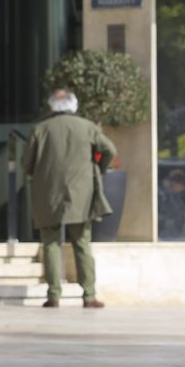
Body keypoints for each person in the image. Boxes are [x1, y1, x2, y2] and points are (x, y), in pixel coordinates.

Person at [22, 89, 118, 308]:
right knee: (82, 243)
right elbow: (110, 149)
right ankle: (89, 295)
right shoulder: (87, 126)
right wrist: (100, 168)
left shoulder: (41, 129)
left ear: (52, 105)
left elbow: (27, 163)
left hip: (48, 192)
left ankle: (54, 295)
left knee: (51, 244)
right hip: (80, 193)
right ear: (73, 104)